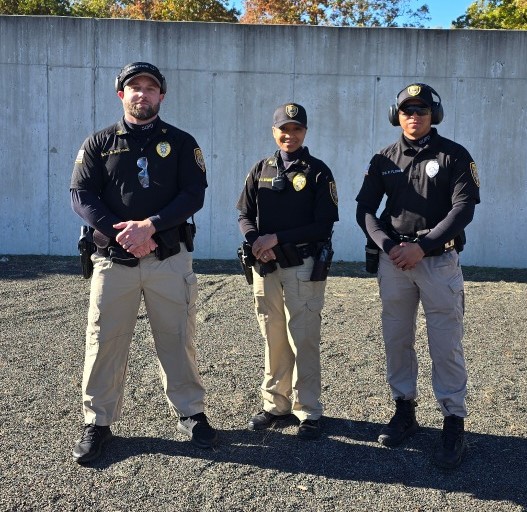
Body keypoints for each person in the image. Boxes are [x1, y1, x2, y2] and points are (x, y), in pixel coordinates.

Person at [70, 62, 217, 463]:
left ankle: (191, 413)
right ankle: (98, 422)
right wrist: (123, 233)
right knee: (104, 341)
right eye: (135, 87)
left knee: (177, 338)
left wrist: (149, 226)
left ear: (161, 96)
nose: (143, 94)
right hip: (114, 260)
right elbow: (81, 195)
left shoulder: (183, 143)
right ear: (122, 95)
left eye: (151, 88)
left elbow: (193, 194)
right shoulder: (99, 143)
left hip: (168, 258)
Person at [356, 83, 481, 468]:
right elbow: (364, 208)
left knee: (445, 342)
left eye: (422, 110)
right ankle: (404, 409)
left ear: (434, 114)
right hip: (394, 262)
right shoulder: (383, 158)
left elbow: (463, 210)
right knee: (397, 339)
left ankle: (453, 420)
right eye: (407, 110)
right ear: (397, 115)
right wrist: (388, 246)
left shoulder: (454, 155)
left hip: (437, 260)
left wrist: (421, 247)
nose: (414, 116)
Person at [236, 103, 339, 440]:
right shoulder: (260, 169)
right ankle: (276, 404)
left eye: (296, 129)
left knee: (304, 337)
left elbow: (323, 224)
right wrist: (255, 241)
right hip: (266, 266)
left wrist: (275, 238)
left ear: (305, 132)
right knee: (273, 337)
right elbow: (244, 214)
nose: (289, 135)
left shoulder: (318, 172)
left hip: (302, 267)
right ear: (273, 131)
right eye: (283, 128)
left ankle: (308, 409)